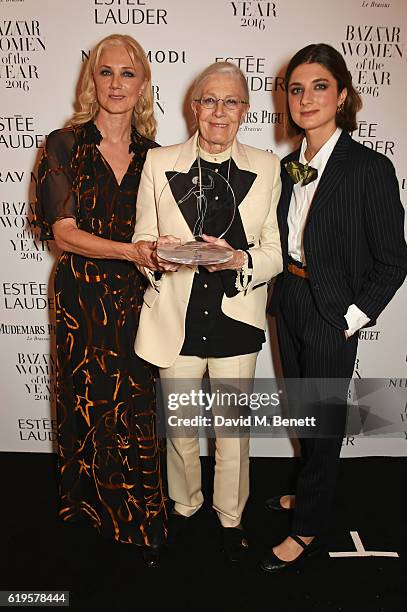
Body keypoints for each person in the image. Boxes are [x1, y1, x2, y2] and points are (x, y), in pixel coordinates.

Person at [261, 43, 407, 572]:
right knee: (301, 411)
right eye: (295, 89)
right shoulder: (284, 167)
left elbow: (394, 260)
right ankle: (309, 492)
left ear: (342, 95)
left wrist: (351, 317)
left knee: (322, 423)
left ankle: (307, 528)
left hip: (333, 314)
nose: (305, 99)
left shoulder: (369, 168)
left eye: (319, 87)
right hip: (290, 300)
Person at [132, 61, 282, 562]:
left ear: (245, 109)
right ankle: (185, 506)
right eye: (210, 100)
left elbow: (274, 250)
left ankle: (231, 519)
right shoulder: (159, 162)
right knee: (179, 429)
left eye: (231, 101)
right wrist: (158, 251)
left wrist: (238, 257)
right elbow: (140, 238)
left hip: (235, 320)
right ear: (194, 107)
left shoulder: (267, 166)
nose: (220, 111)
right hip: (176, 316)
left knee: (232, 434)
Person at [34, 34, 167, 568]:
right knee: (86, 398)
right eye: (106, 72)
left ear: (142, 86)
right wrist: (132, 250)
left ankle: (141, 518)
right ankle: (87, 509)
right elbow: (63, 233)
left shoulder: (157, 156)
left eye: (127, 74)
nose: (116, 84)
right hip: (81, 295)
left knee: (136, 402)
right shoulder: (64, 144)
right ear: (93, 80)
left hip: (137, 297)